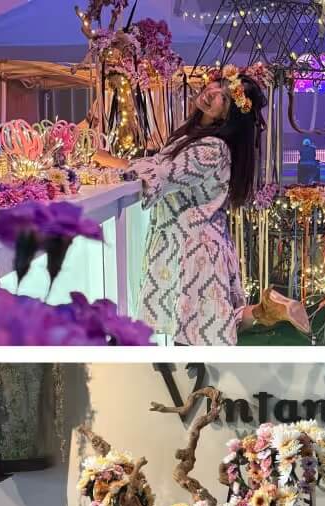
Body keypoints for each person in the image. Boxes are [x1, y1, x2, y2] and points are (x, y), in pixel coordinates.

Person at [94, 66, 267, 345]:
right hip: (188, 247)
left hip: (196, 256)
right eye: (217, 84)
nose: (212, 91)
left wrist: (108, 160)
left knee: (197, 335)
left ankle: (269, 311)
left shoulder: (212, 148)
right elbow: (161, 165)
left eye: (223, 96)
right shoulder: (194, 136)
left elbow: (164, 175)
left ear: (229, 115)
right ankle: (268, 310)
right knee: (199, 329)